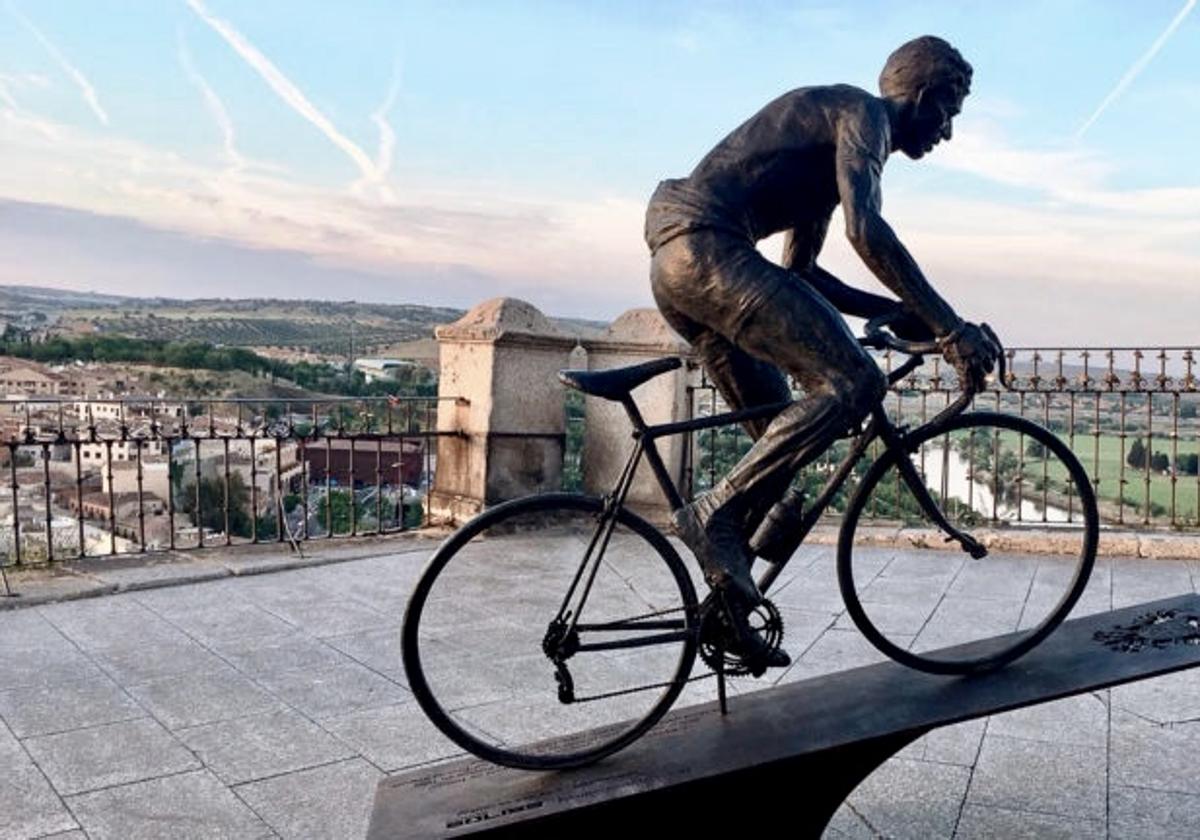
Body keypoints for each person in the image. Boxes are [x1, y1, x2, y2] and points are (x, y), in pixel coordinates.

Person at [644, 35, 1001, 674]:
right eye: (948, 113)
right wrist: (949, 327)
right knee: (853, 383)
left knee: (775, 473)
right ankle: (710, 515)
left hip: (681, 265)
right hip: (705, 247)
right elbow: (869, 232)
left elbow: (806, 272)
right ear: (922, 96)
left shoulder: (830, 152)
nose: (946, 133)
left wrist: (907, 312)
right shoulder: (862, 115)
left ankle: (729, 618)